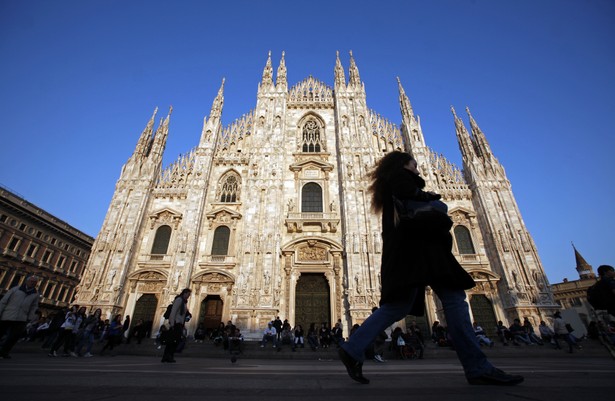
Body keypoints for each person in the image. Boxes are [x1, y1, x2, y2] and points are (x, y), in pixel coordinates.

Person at [337, 151, 523, 386]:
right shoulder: (403, 183)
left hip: (407, 256)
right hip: (427, 253)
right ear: (403, 165)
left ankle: (352, 348)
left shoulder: (388, 187)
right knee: (455, 300)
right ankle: (477, 367)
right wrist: (436, 205)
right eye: (414, 164)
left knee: (397, 307)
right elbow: (425, 212)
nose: (418, 168)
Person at [0, 275, 39, 359]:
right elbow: (3, 301)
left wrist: (29, 318)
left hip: (21, 318)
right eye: (31, 281)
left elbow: (34, 307)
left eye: (34, 282)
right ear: (26, 281)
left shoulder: (35, 294)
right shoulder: (15, 289)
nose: (33, 283)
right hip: (8, 315)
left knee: (14, 337)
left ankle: (4, 352)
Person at [162, 288, 191, 363]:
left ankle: (167, 356)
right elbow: (173, 312)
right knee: (173, 341)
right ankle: (168, 356)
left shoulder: (184, 302)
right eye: (188, 294)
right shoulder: (179, 300)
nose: (188, 296)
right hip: (175, 323)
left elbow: (183, 314)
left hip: (179, 323)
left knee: (172, 341)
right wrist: (172, 323)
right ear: (185, 293)